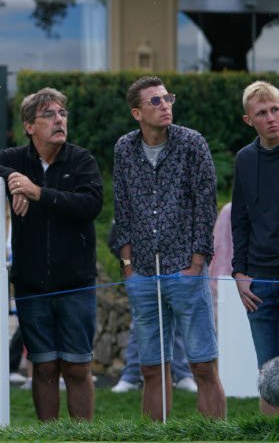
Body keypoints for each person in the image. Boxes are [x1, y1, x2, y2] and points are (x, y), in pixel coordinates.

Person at [0, 88, 103, 422]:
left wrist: (37, 192)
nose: (59, 120)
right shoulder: (16, 160)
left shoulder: (81, 160)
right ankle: (48, 434)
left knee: (77, 366)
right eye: (49, 115)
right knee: (45, 366)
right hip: (31, 284)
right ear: (29, 126)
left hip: (76, 282)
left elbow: (90, 205)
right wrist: (12, 178)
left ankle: (83, 436)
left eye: (62, 114)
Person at [109, 76, 225, 421]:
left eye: (167, 98)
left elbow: (206, 206)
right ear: (137, 113)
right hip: (143, 273)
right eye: (155, 101)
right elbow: (122, 208)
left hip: (186, 269)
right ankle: (155, 436)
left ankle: (215, 436)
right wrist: (128, 266)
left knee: (203, 364)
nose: (165, 106)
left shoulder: (192, 143)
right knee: (151, 369)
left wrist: (197, 262)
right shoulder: (124, 148)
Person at [230, 80, 279, 415]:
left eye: (275, 109)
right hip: (259, 284)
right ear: (248, 120)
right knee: (270, 380)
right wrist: (239, 272)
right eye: (261, 113)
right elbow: (239, 220)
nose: (271, 117)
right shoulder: (245, 160)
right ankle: (273, 436)